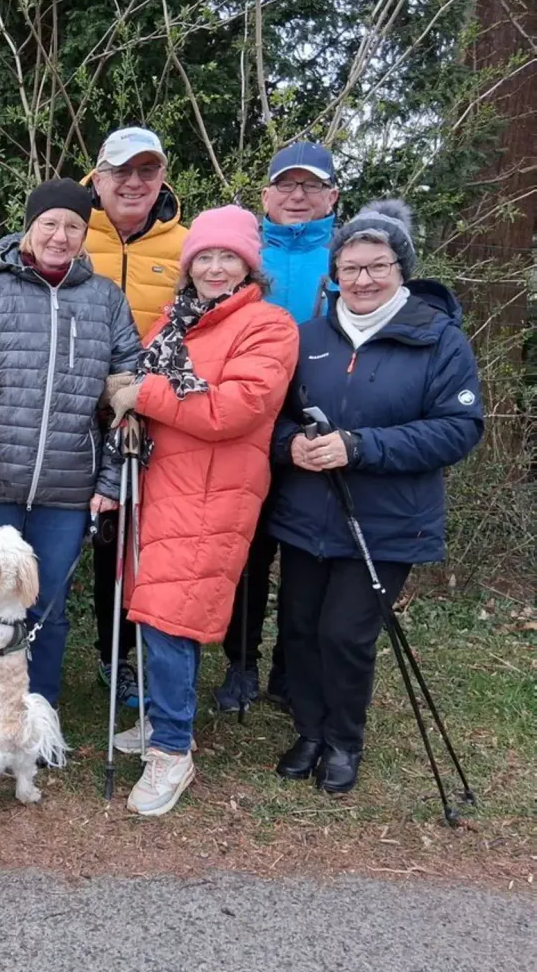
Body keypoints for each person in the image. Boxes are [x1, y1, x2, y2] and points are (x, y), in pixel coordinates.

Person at [269, 200, 483, 794]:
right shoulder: (307, 336)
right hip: (308, 513)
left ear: (400, 269)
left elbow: (459, 428)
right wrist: (291, 448)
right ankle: (309, 729)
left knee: (346, 631)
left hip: (387, 520)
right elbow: (274, 419)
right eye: (351, 267)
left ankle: (343, 741)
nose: (362, 279)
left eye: (377, 266)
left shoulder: (437, 338)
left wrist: (360, 447)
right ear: (333, 273)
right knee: (301, 627)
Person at [0, 178, 143, 763]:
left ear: (85, 236)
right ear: (29, 228)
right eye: (50, 224)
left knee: (47, 611)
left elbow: (127, 399)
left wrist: (109, 483)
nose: (60, 236)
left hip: (68, 486)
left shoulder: (105, 299)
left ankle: (36, 728)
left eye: (73, 227)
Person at [105, 205, 298, 816]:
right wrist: (127, 396)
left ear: (249, 265)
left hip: (215, 490)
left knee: (171, 615)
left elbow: (233, 408)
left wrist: (145, 394)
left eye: (227, 257)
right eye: (204, 258)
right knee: (150, 602)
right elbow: (143, 383)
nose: (214, 267)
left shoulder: (268, 326)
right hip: (161, 483)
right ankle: (169, 722)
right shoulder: (177, 321)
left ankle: (171, 752)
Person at [214, 141, 341, 714]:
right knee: (247, 551)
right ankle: (241, 664)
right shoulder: (240, 251)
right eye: (286, 185)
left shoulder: (349, 257)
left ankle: (292, 669)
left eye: (310, 186)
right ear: (266, 195)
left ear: (331, 197)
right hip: (249, 423)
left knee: (307, 555)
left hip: (321, 426)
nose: (297, 196)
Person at [80, 126, 189, 710]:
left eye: (147, 171)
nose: (134, 182)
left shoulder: (187, 246)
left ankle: (115, 655)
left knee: (122, 540)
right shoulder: (69, 228)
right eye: (122, 171)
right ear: (98, 177)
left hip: (142, 419)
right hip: (67, 411)